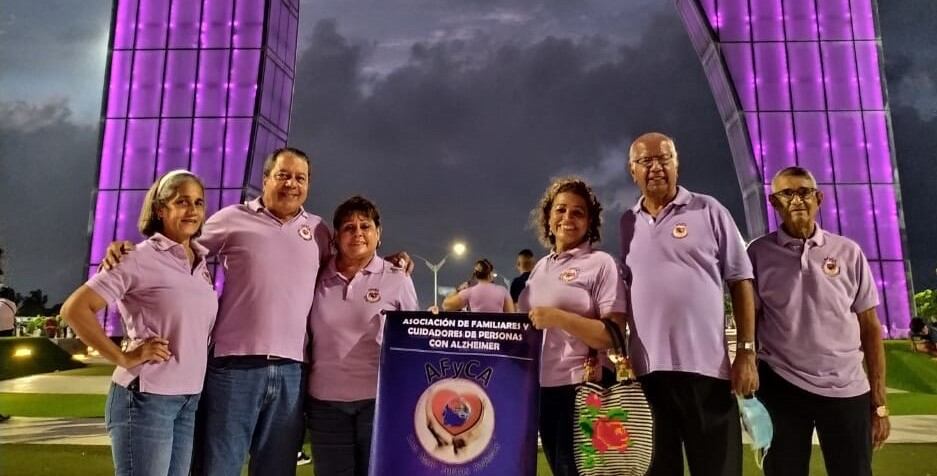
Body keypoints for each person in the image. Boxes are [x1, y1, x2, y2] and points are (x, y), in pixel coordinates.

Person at [102, 148, 412, 475]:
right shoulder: (232, 218)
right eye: (283, 175)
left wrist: (391, 262)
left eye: (300, 178)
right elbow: (178, 242)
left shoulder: (319, 231)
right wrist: (132, 248)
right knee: (219, 467)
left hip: (292, 372)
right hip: (234, 368)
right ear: (265, 180)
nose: (291, 183)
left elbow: (353, 258)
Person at [61, 170, 217, 476]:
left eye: (198, 202)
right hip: (147, 399)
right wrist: (123, 357)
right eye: (181, 201)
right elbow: (75, 309)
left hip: (188, 399)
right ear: (160, 210)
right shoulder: (138, 258)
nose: (192, 210)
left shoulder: (200, 263)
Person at [619, 132, 756, 476]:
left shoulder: (709, 210)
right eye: (645, 161)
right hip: (648, 375)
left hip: (706, 371)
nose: (655, 167)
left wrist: (746, 351)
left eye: (663, 158)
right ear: (632, 171)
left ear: (677, 164)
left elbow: (741, 281)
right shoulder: (627, 222)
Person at [749, 166, 890, 476]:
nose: (797, 200)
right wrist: (750, 393)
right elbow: (751, 322)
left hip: (846, 386)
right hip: (781, 386)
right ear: (773, 202)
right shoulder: (757, 254)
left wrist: (879, 403)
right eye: (787, 193)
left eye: (804, 192)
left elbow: (870, 327)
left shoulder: (848, 252)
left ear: (819, 198)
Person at [518, 177, 627, 476]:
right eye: (561, 210)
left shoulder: (601, 263)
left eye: (578, 212)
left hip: (585, 386)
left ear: (590, 222)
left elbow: (613, 335)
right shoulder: (540, 269)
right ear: (548, 217)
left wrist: (560, 318)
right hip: (543, 389)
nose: (568, 217)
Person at [306, 196, 419, 476]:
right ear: (335, 236)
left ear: (378, 234)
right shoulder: (315, 276)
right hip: (326, 406)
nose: (357, 233)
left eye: (365, 226)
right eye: (348, 227)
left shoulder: (398, 278)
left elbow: (412, 343)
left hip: (379, 403)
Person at [442, 258, 514, 313]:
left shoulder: (469, 292)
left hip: (477, 328)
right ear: (490, 274)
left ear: (476, 276)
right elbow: (511, 315)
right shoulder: (502, 291)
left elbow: (446, 306)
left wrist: (458, 289)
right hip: (497, 328)